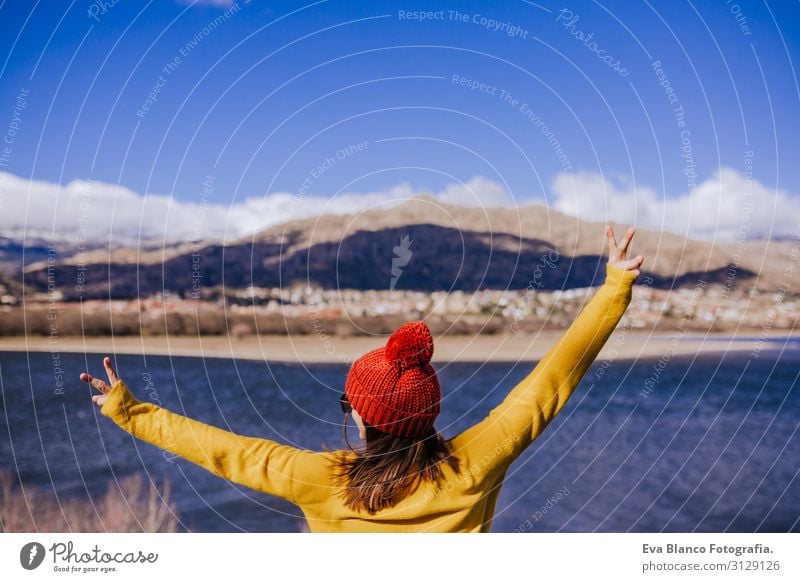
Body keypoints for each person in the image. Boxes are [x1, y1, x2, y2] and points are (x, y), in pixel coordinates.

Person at [80, 225, 644, 532]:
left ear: (357, 414)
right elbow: (551, 383)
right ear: (429, 414)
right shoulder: (478, 462)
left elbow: (225, 451)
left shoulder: (318, 479)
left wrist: (130, 410)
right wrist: (615, 283)